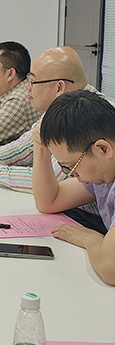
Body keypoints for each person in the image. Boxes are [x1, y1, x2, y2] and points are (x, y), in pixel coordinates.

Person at [0, 46, 110, 191]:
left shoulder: (87, 114)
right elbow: (23, 147)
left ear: (59, 87)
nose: (27, 87)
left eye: (33, 81)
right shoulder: (60, 107)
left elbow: (52, 180)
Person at [34, 90, 115, 286]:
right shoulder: (103, 172)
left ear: (103, 149)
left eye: (72, 166)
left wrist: (89, 238)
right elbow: (49, 201)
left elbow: (110, 268)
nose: (71, 175)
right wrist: (41, 147)